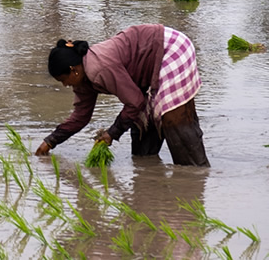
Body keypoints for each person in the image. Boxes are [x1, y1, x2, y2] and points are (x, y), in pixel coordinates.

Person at [34, 24, 209, 166]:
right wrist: (50, 142)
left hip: (169, 49)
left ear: (73, 70)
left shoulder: (98, 69)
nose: (65, 85)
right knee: (142, 133)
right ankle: (150, 175)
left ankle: (197, 175)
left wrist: (112, 133)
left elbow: (135, 101)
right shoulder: (83, 81)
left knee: (173, 121)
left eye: (63, 80)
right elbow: (80, 117)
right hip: (145, 71)